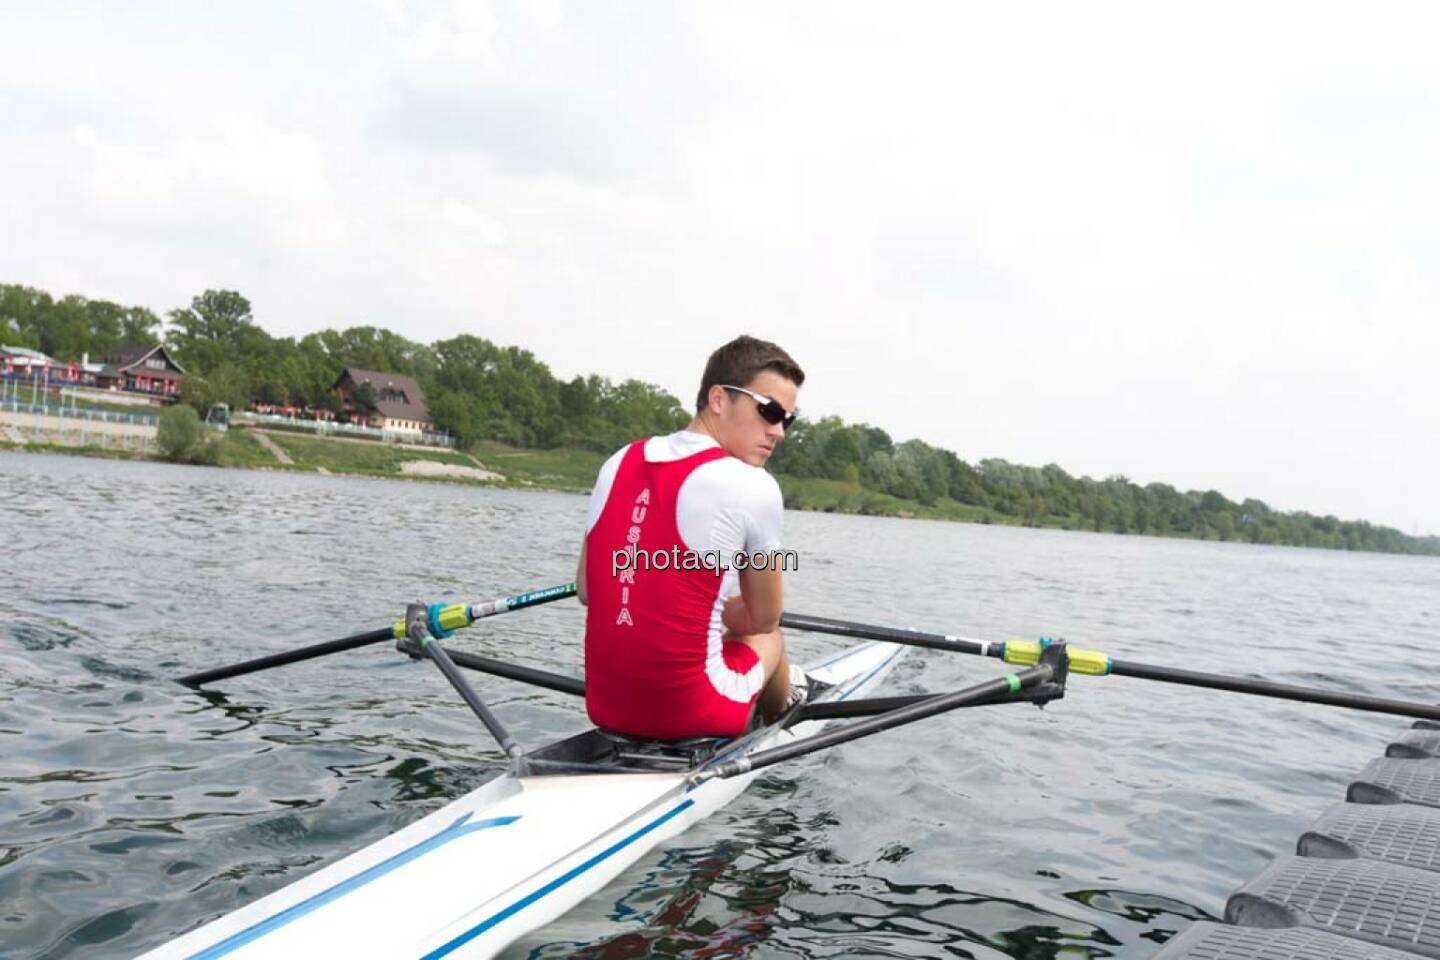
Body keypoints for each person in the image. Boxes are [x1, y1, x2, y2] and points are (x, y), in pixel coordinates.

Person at [575, 335, 804, 740]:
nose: (780, 431)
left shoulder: (618, 460)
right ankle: (783, 711)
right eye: (769, 411)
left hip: (604, 705)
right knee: (770, 637)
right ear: (719, 399)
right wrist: (720, 618)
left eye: (788, 418)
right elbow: (764, 618)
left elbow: (588, 590)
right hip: (694, 712)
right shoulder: (754, 485)